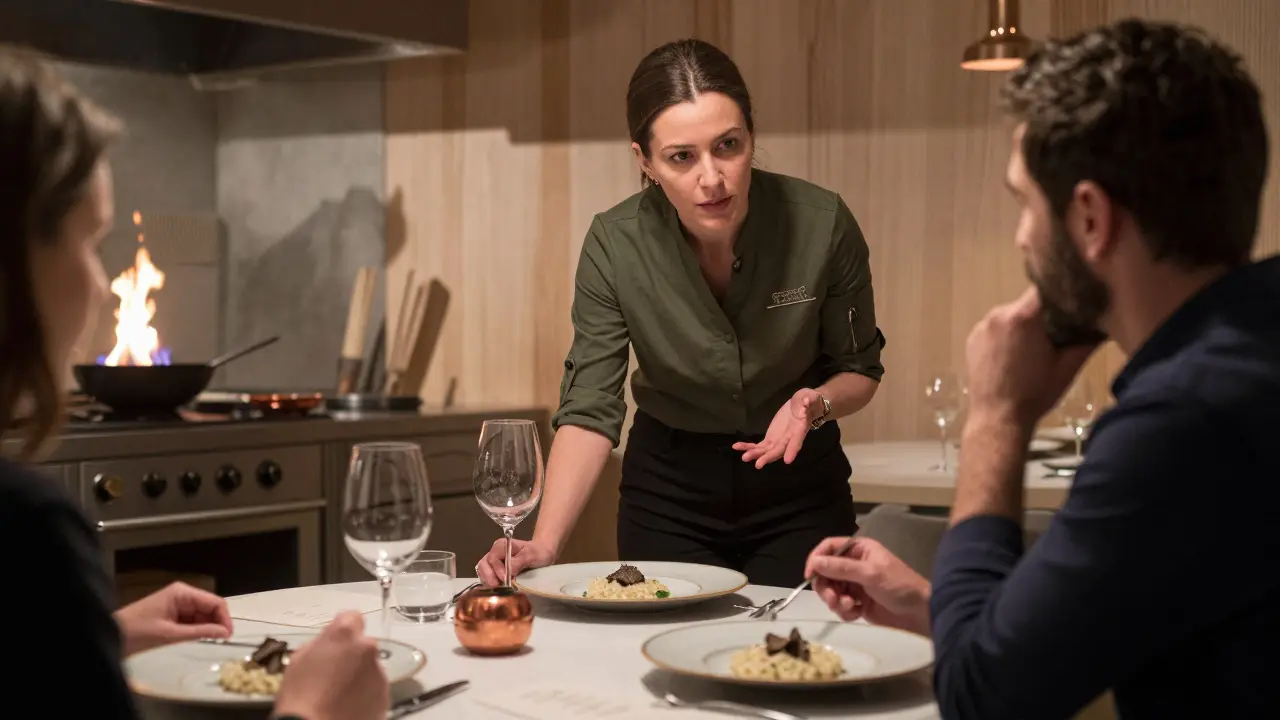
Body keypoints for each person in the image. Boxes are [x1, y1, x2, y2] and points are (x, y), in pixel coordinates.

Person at [805, 18, 1280, 720]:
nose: (1023, 235)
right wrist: (945, 609)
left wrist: (998, 412)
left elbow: (984, 701)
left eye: (1023, 202)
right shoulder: (1251, 351)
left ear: (1090, 218)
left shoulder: (1184, 421)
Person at [0, 47, 388, 720]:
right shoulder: (24, 528)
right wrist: (312, 712)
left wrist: (98, 636)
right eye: (90, 243)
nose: (101, 285)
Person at [478, 38, 885, 589]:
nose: (711, 178)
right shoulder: (615, 244)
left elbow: (858, 368)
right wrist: (545, 543)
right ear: (645, 161)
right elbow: (590, 408)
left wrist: (815, 404)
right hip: (668, 497)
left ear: (751, 137)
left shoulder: (823, 223)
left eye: (728, 146)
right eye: (681, 157)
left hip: (800, 489)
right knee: (666, 659)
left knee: (800, 662)